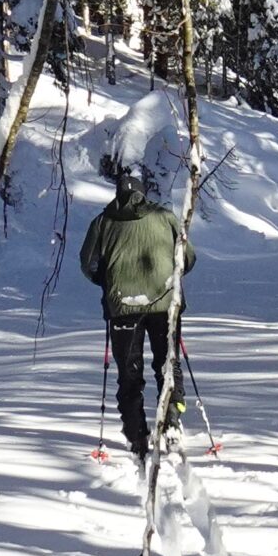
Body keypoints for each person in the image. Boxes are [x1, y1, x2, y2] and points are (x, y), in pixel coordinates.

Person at [79, 157, 195, 465]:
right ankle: (171, 421)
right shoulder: (166, 217)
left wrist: (106, 282)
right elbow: (188, 257)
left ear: (117, 194)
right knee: (168, 365)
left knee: (129, 373)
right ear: (144, 194)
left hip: (122, 309)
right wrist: (171, 278)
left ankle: (136, 433)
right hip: (165, 306)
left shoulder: (103, 222)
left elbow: (87, 263)